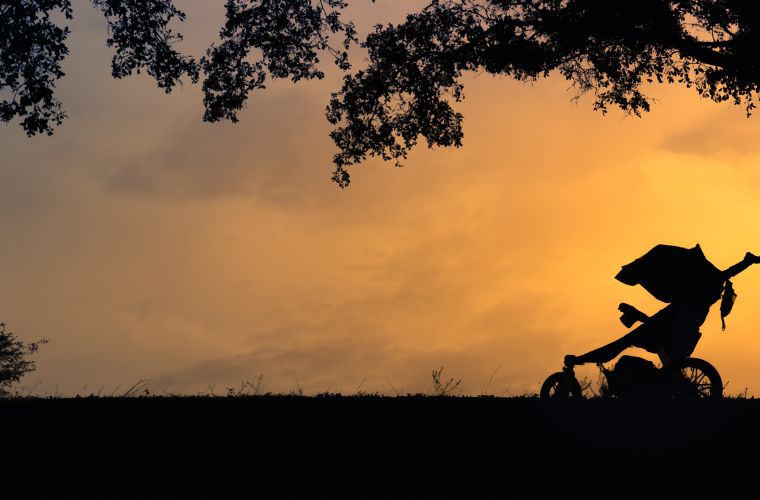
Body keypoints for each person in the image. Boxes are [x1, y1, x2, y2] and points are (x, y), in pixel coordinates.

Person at [564, 251, 760, 368]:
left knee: (623, 343)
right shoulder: (696, 303)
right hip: (671, 335)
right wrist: (747, 262)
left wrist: (636, 314)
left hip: (670, 337)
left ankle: (580, 359)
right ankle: (582, 359)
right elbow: (721, 276)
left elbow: (657, 326)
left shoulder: (691, 304)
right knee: (625, 342)